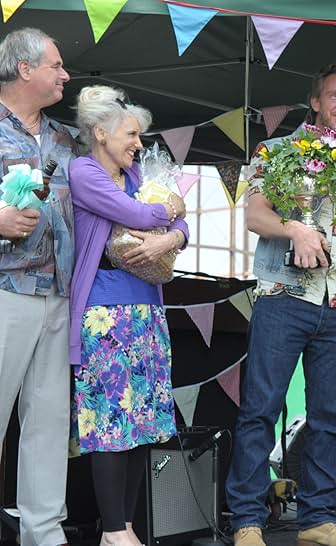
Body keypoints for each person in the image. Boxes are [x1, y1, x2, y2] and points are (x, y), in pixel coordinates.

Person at [225, 62, 336, 546]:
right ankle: (247, 518)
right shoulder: (278, 150)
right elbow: (255, 213)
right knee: (261, 409)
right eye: (335, 96)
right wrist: (296, 229)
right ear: (316, 101)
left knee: (330, 417)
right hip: (284, 296)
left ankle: (318, 519)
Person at [69, 85, 189, 546]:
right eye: (132, 134)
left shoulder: (138, 174)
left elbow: (181, 224)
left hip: (147, 312)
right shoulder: (84, 172)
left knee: (144, 423)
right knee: (108, 424)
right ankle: (113, 528)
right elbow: (132, 213)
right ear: (100, 133)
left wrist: (170, 237)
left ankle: (128, 527)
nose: (139, 144)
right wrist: (166, 214)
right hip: (104, 315)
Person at [0, 27, 74, 546]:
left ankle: (44, 533)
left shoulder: (65, 139)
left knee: (48, 421)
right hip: (5, 292)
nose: (65, 74)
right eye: (56, 65)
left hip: (59, 293)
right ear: (25, 69)